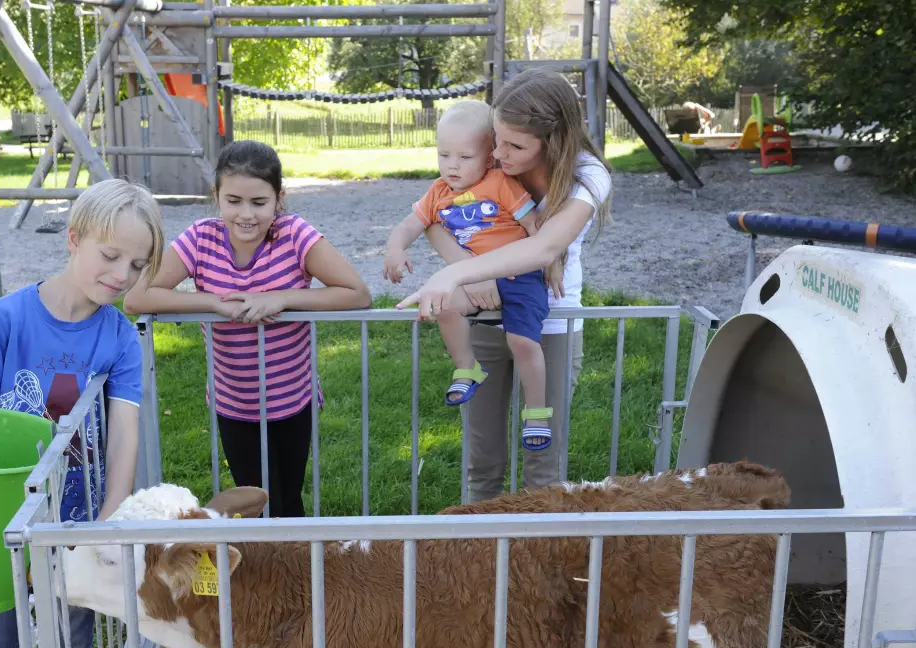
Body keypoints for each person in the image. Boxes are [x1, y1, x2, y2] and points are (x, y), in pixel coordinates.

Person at [0, 177, 164, 648]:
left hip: (74, 528)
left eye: (138, 265)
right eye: (111, 255)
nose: (122, 275)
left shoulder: (119, 336)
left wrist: (108, 519)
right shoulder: (5, 319)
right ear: (74, 238)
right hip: (2, 527)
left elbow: (124, 433)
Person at [124, 140, 371, 518]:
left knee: (288, 499)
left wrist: (283, 297)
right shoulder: (201, 237)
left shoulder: (294, 234)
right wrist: (212, 301)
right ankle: (264, 568)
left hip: (292, 398)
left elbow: (357, 293)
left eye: (259, 202)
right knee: (256, 502)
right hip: (234, 401)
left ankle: (295, 572)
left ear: (279, 199)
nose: (246, 214)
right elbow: (137, 299)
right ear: (217, 195)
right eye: (234, 200)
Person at [397, 68, 612, 500]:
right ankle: (482, 559)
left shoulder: (587, 175)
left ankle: (540, 561)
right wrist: (469, 268)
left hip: (548, 325)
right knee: (483, 462)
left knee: (542, 468)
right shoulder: (494, 154)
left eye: (514, 145)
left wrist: (454, 274)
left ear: (552, 141)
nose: (498, 152)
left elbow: (543, 248)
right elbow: (436, 219)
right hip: (483, 317)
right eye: (496, 139)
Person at [382, 100, 561, 450]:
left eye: (464, 157)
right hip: (468, 276)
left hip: (518, 273)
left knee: (523, 341)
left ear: (488, 157)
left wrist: (553, 261)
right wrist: (395, 249)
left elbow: (534, 225)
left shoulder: (501, 183)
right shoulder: (437, 193)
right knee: (443, 305)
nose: (452, 165)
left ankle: (537, 410)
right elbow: (409, 225)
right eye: (444, 154)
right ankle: (467, 368)